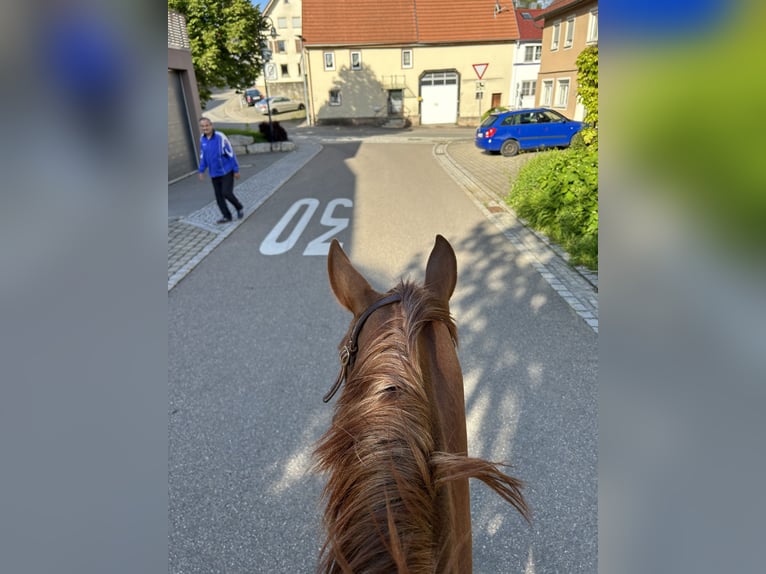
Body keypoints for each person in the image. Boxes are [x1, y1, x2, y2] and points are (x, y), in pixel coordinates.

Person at [197, 117, 244, 224]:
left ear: (211, 125)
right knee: (219, 197)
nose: (205, 128)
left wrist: (236, 170)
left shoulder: (220, 137)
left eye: (207, 125)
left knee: (226, 192)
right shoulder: (202, 139)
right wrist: (201, 170)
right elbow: (203, 156)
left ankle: (239, 207)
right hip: (214, 173)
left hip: (226, 171)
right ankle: (227, 216)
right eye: (203, 126)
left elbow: (231, 153)